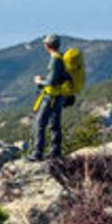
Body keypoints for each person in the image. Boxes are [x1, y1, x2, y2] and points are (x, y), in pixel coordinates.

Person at [27, 34, 71, 162]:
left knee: (40, 124)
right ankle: (55, 152)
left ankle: (37, 153)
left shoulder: (55, 59)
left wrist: (39, 81)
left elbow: (51, 81)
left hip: (50, 97)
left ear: (47, 45)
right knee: (54, 124)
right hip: (59, 96)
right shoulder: (62, 57)